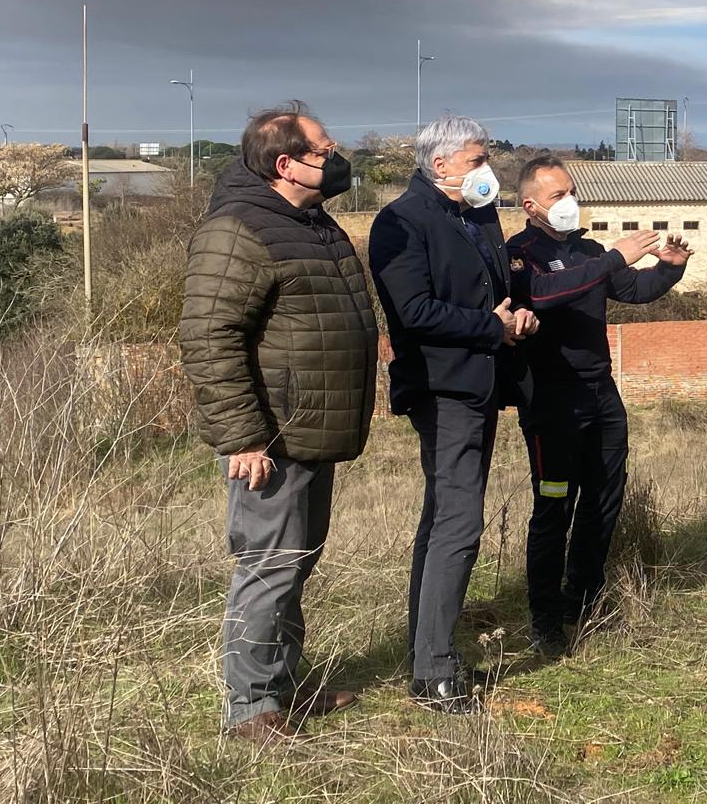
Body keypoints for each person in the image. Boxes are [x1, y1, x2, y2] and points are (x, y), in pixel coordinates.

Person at [179, 101, 378, 744]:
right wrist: (243, 437)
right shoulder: (238, 229)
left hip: (309, 429)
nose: (337, 154)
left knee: (294, 563)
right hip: (272, 437)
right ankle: (251, 710)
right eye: (324, 147)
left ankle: (282, 690)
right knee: (268, 566)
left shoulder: (311, 223)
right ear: (285, 163)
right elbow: (209, 337)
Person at [368, 114, 538, 713]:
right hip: (441, 389)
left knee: (445, 518)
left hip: (482, 382)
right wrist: (488, 326)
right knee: (460, 524)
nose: (486, 169)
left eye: (487, 157)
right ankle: (435, 672)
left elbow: (492, 295)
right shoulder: (402, 221)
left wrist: (512, 318)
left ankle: (426, 653)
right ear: (439, 165)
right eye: (475, 160)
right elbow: (412, 309)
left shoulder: (478, 214)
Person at [505, 155, 691, 655]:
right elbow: (543, 295)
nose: (569, 202)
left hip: (600, 397)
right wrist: (613, 256)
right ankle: (545, 618)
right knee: (554, 505)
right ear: (530, 206)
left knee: (604, 498)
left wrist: (669, 270)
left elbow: (633, 288)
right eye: (556, 195)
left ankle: (582, 599)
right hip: (552, 403)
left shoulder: (586, 249)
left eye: (571, 191)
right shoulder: (521, 254)